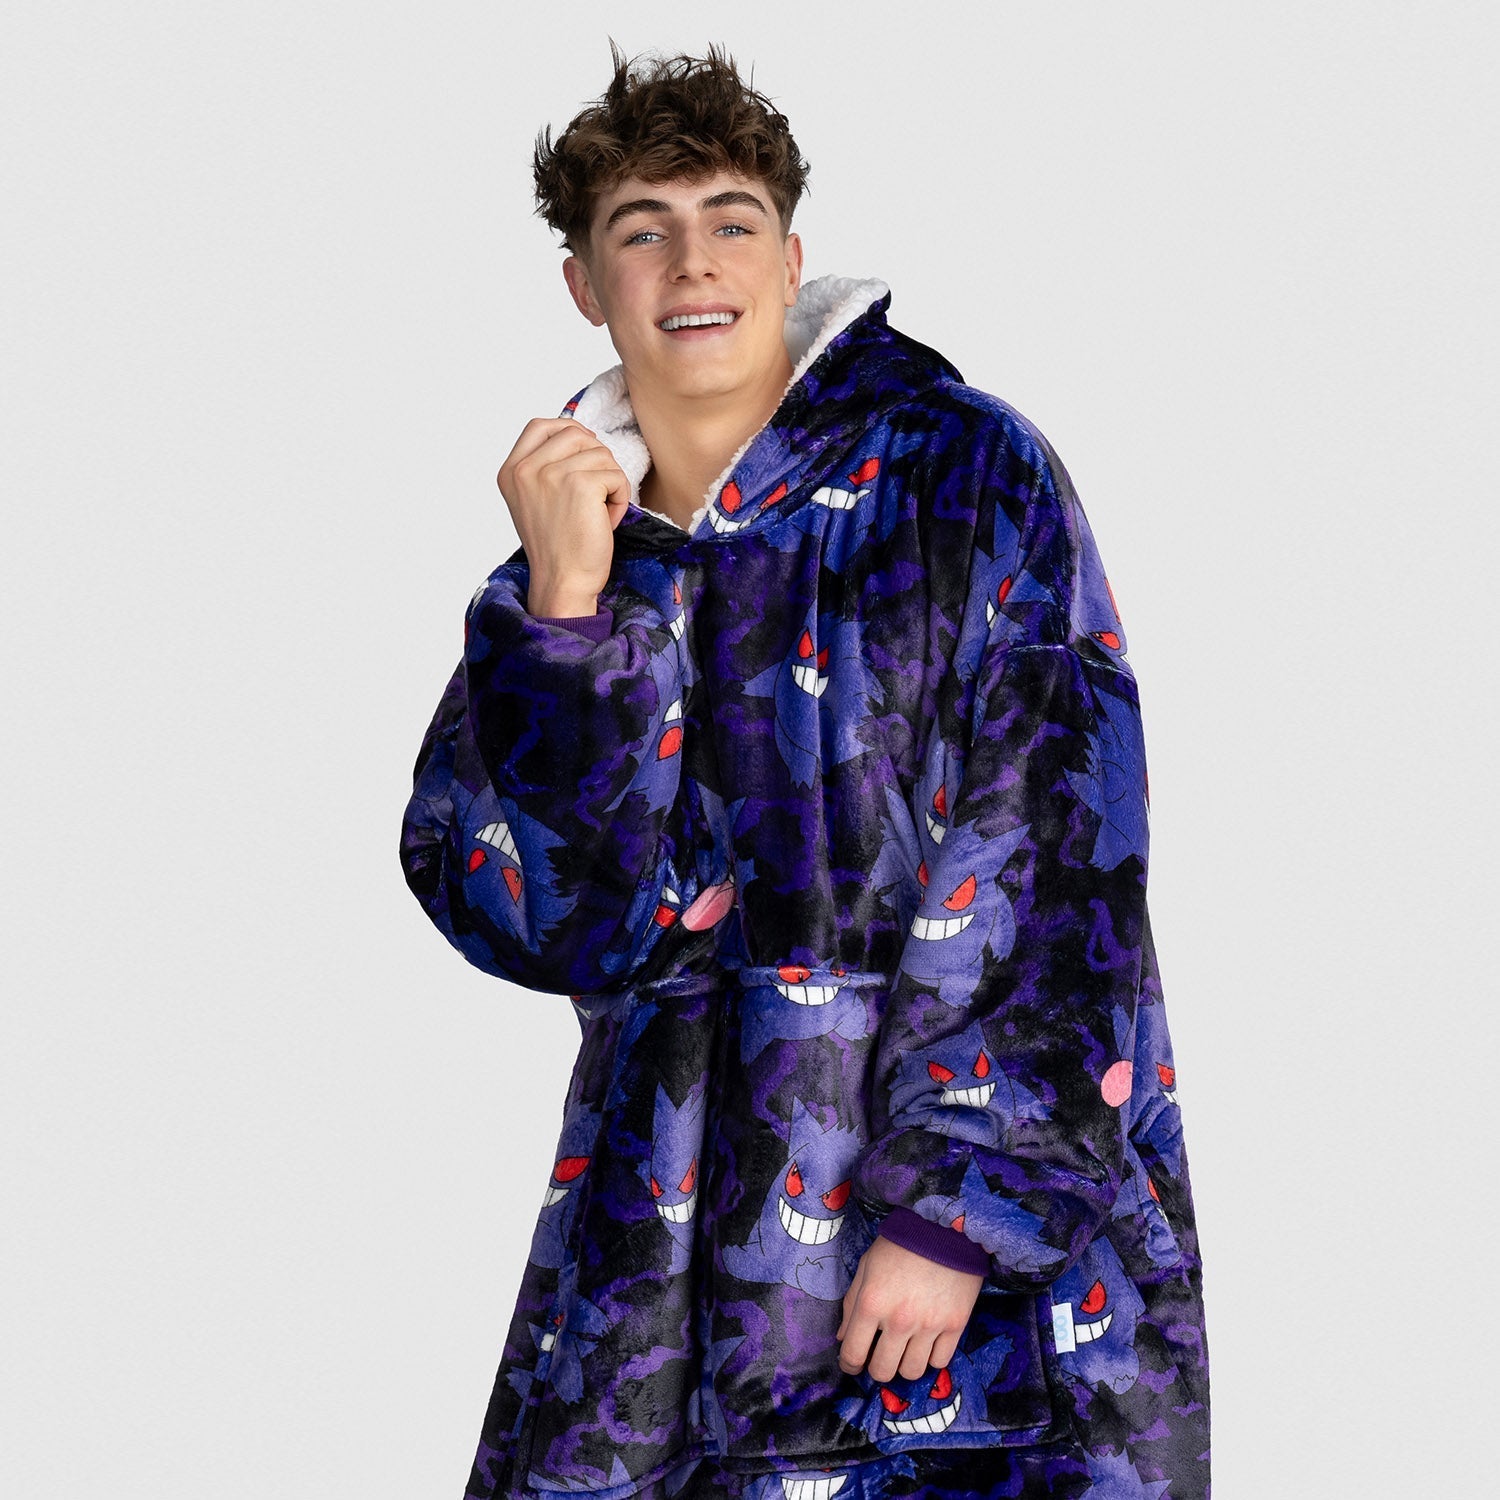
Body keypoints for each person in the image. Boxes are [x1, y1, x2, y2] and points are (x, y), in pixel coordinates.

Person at [399, 41, 1209, 1500]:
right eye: (642, 231)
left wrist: (961, 1204)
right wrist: (566, 618)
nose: (691, 264)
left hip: (940, 1268)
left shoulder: (966, 474)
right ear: (585, 284)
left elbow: (1060, 838)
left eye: (732, 220)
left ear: (788, 259)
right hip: (654, 1279)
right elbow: (543, 923)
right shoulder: (574, 565)